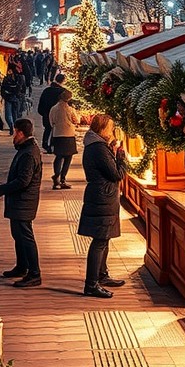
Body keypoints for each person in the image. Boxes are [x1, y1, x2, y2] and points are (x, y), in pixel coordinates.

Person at [78, 112, 127, 298]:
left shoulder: (96, 145)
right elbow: (116, 174)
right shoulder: (98, 147)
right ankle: (91, 284)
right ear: (103, 128)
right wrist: (121, 157)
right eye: (111, 128)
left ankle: (102, 275)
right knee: (99, 240)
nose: (113, 131)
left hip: (102, 195)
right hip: (102, 197)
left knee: (104, 238)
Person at [0, 117, 43, 288]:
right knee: (18, 235)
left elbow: (23, 181)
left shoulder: (28, 153)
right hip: (21, 201)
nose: (13, 135)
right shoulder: (26, 149)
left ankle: (34, 273)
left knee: (25, 236)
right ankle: (22, 266)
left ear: (20, 133)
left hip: (24, 202)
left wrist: (3, 189)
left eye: (14, 132)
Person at [49, 88, 79, 189]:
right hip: (69, 135)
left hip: (57, 134)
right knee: (68, 158)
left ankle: (56, 176)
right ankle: (63, 179)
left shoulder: (53, 108)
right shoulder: (70, 109)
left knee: (58, 156)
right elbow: (76, 120)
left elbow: (51, 122)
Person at [37, 72, 66, 153]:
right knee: (55, 130)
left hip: (46, 114)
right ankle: (52, 145)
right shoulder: (62, 92)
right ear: (63, 81)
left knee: (47, 129)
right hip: (58, 115)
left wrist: (43, 113)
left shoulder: (47, 90)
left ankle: (45, 144)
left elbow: (41, 103)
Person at [0, 66, 21, 134]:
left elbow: (2, 89)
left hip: (8, 98)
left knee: (8, 115)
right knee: (14, 114)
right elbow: (20, 88)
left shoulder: (6, 79)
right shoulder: (18, 78)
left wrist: (4, 95)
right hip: (15, 98)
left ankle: (11, 125)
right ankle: (14, 127)